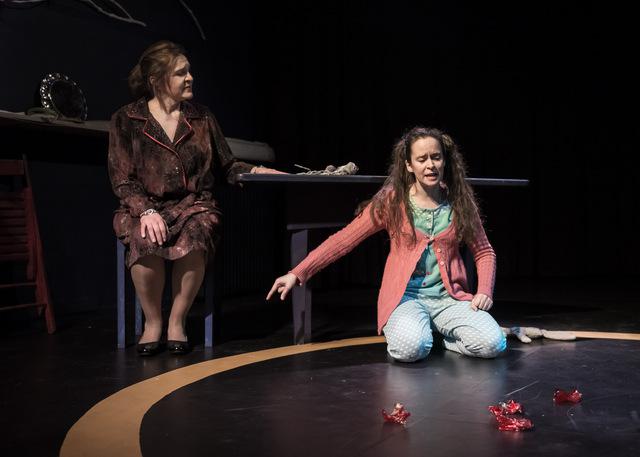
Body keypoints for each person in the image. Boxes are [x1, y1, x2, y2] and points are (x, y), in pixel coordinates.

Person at [268, 127, 506, 362]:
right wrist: (298, 272)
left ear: (445, 161)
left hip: (449, 299)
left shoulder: (459, 201)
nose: (430, 165)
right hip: (405, 298)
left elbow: (484, 252)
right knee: (410, 349)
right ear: (409, 165)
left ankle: (440, 338)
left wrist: (484, 291)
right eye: (422, 159)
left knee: (493, 343)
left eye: (436, 157)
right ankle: (424, 335)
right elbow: (344, 240)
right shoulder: (392, 201)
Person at [109, 41, 282, 356]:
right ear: (156, 80)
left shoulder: (201, 117)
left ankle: (177, 321)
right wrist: (145, 210)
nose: (190, 77)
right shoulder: (127, 119)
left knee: (196, 233)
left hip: (193, 205)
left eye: (189, 71)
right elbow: (122, 178)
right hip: (143, 205)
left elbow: (227, 165)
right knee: (144, 236)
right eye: (180, 73)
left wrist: (256, 171)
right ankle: (153, 322)